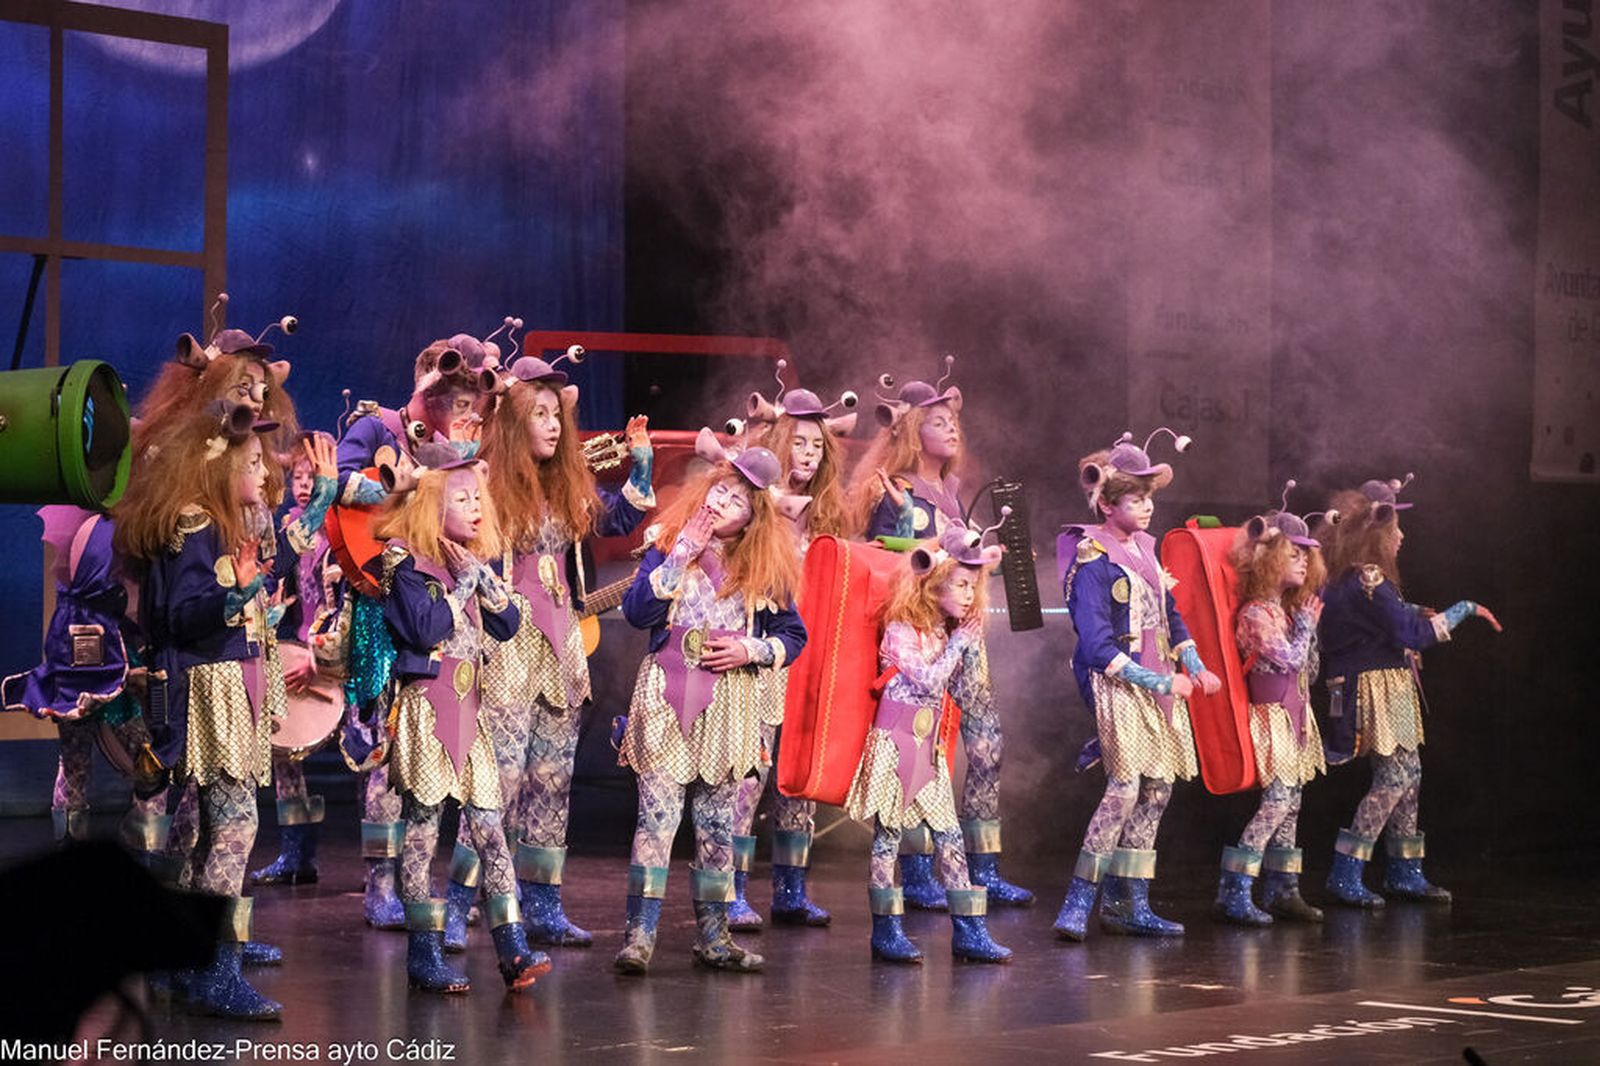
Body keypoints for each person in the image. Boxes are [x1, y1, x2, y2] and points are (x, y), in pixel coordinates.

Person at [612, 431, 806, 975]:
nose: (723, 504)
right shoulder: (668, 544)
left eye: (738, 501)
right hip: (668, 694)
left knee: (719, 825)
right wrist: (679, 556)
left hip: (729, 705)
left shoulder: (765, 566)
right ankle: (638, 937)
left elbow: (794, 635)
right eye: (720, 492)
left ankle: (714, 937)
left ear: (753, 517)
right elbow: (637, 612)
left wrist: (753, 647)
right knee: (656, 819)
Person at [369, 443, 549, 993]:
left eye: (479, 497)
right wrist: (462, 585)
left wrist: (482, 577)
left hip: (472, 711)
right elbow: (422, 630)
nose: (476, 507)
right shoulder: (403, 559)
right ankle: (424, 956)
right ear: (432, 505)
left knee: (491, 832)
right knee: (423, 832)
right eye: (462, 498)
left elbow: (510, 623)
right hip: (428, 705)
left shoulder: (467, 560)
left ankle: (513, 950)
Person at [855, 356, 1031, 909]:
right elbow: (884, 564)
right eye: (937, 422)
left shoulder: (954, 492)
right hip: (921, 640)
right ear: (911, 431)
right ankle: (916, 871)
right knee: (917, 748)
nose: (951, 427)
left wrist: (986, 562)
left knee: (986, 744)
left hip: (965, 637)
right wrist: (912, 534)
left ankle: (983, 866)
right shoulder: (897, 490)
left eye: (953, 421)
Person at [1053, 429, 1221, 940]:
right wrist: (1161, 680)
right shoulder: (1092, 557)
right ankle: (1079, 901)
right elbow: (1098, 646)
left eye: (1149, 499)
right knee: (1124, 788)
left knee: (1158, 786)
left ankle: (1129, 902)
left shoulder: (1148, 550)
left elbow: (1170, 616)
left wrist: (1194, 664)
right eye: (1135, 499)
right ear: (1107, 504)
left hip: (1158, 680)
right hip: (1119, 681)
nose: (1146, 508)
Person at [1315, 475, 1501, 907]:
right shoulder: (1369, 579)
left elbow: (1377, 620)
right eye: (1395, 527)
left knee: (1409, 776)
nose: (1402, 535)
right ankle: (1346, 870)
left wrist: (1411, 610)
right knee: (1395, 777)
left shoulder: (1353, 579)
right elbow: (1409, 634)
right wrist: (1464, 609)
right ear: (1377, 534)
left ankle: (1404, 871)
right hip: (1374, 688)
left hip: (1386, 685)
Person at [843, 523, 1014, 964]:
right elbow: (926, 680)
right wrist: (959, 644)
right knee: (888, 837)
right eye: (960, 584)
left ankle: (970, 931)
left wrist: (967, 647)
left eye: (973, 587)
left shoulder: (944, 632)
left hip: (928, 746)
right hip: (895, 743)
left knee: (950, 836)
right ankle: (886, 931)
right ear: (934, 584)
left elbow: (965, 693)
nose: (968, 595)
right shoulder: (903, 628)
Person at [1214, 489, 1330, 925]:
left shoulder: (1286, 610)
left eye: (1307, 555)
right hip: (1270, 717)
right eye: (1294, 553)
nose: (1303, 561)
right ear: (1270, 558)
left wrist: (1306, 628)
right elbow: (1292, 659)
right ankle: (1234, 890)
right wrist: (1305, 629)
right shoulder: (1257, 613)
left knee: (1293, 801)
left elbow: (1311, 669)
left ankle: (1284, 888)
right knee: (1278, 801)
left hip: (1295, 712)